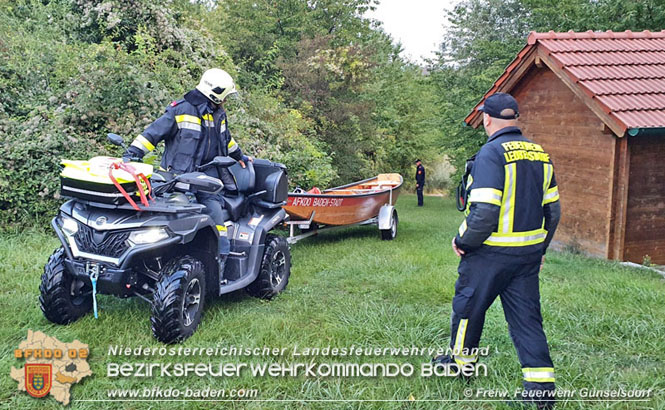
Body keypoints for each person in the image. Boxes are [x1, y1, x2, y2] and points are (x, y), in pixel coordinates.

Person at [433, 93, 561, 409]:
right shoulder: (540, 154)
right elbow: (554, 212)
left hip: (489, 255)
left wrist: (462, 240)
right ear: (515, 118)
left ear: (487, 120)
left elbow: (484, 214)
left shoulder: (491, 153)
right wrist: (540, 249)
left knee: (468, 308)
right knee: (528, 319)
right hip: (528, 256)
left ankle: (460, 365)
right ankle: (541, 389)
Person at [123, 68, 252, 275]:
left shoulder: (219, 114)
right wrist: (132, 155)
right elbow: (152, 134)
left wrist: (241, 157)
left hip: (208, 181)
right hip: (176, 181)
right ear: (215, 94)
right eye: (225, 97)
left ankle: (218, 266)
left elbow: (226, 140)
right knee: (166, 224)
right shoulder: (180, 109)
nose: (226, 101)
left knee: (216, 220)